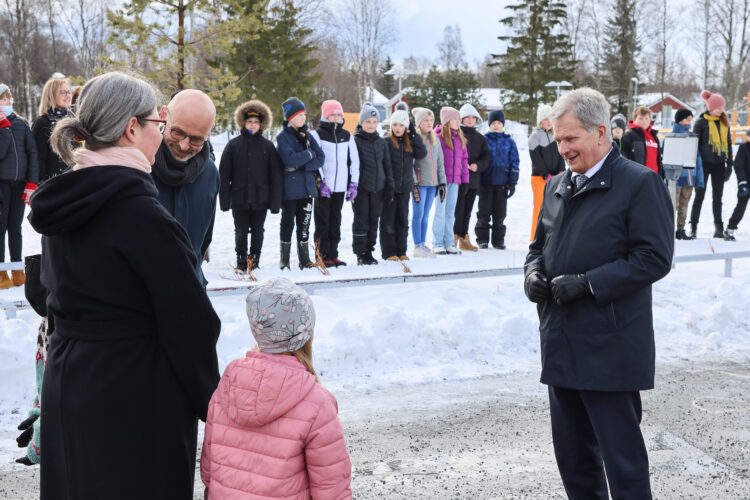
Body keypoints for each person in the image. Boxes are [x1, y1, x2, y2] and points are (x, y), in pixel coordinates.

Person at [28, 71, 221, 500]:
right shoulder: (142, 216)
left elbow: (47, 293)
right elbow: (190, 323)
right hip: (134, 399)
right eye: (158, 123)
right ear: (132, 128)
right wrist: (213, 402)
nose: (161, 132)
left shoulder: (66, 202)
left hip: (69, 384)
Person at [524, 88, 673, 500]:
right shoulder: (557, 185)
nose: (563, 149)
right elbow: (537, 247)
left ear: (602, 133)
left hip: (610, 348)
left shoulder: (639, 184)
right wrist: (533, 273)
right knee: (574, 463)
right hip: (562, 342)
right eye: (557, 140)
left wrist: (589, 282)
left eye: (571, 139)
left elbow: (654, 258)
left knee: (622, 464)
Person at [201, 277, 352, 499]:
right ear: (306, 333)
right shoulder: (317, 403)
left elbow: (209, 471)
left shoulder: (227, 388)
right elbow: (332, 489)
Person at [152, 89, 219, 287]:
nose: (183, 145)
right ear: (163, 115)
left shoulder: (210, 174)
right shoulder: (138, 165)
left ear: (210, 131)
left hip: (191, 290)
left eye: (196, 139)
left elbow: (204, 240)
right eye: (177, 132)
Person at [219, 99, 282, 271]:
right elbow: (223, 175)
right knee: (240, 232)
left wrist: (275, 203)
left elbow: (275, 176)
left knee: (258, 231)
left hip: (261, 198)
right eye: (249, 121)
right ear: (243, 123)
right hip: (239, 198)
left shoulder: (268, 147)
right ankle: (241, 261)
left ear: (261, 124)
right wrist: (224, 201)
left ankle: (254, 261)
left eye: (256, 122)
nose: (252, 125)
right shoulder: (233, 146)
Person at [310, 99, 360, 267]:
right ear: (326, 116)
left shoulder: (347, 135)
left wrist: (353, 183)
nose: (336, 117)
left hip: (340, 187)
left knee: (335, 221)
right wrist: (321, 182)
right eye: (333, 115)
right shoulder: (318, 134)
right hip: (325, 188)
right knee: (322, 221)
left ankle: (333, 254)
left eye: (339, 114)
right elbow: (316, 160)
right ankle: (322, 255)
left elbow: (354, 161)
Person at [276, 97, 325, 270]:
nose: (303, 118)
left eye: (304, 115)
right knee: (288, 224)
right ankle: (285, 260)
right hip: (290, 190)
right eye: (298, 115)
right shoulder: (283, 137)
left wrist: (303, 163)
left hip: (307, 188)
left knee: (304, 224)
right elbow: (289, 160)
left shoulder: (308, 136)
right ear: (290, 118)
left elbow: (321, 158)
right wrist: (308, 155)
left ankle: (304, 260)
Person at [0, 83, 39, 289]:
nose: (8, 102)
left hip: (20, 184)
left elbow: (32, 153)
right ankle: (1, 271)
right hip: (1, 186)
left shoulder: (22, 124)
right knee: (0, 228)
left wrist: (32, 181)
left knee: (15, 227)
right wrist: (4, 128)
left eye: (9, 99)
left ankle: (16, 268)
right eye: (3, 99)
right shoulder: (3, 126)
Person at [381, 104, 426, 261]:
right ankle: (389, 252)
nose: (398, 128)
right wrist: (387, 185)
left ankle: (401, 251)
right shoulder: (386, 142)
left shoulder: (410, 143)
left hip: (405, 188)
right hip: (389, 189)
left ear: (406, 126)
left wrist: (415, 136)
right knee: (388, 221)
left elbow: (422, 154)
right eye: (394, 125)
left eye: (401, 125)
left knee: (402, 221)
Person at [352, 102, 393, 265]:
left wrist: (390, 186)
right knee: (361, 220)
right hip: (362, 189)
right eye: (368, 121)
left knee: (374, 220)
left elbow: (387, 165)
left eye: (374, 122)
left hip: (379, 188)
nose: (371, 125)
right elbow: (352, 165)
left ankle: (369, 250)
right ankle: (361, 253)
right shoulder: (355, 141)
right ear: (362, 122)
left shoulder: (381, 142)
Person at [690, 90, 734, 238]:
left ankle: (718, 228)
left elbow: (728, 144)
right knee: (699, 196)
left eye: (722, 107)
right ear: (710, 107)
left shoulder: (724, 122)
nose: (721, 110)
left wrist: (729, 165)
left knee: (718, 198)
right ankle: (693, 227)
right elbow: (694, 145)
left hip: (719, 165)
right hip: (703, 165)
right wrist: (695, 165)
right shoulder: (701, 123)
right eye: (718, 107)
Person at [476, 110, 519, 249]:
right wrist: (478, 182)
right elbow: (479, 160)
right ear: (489, 124)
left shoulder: (509, 141)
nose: (496, 125)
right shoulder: (484, 140)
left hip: (502, 183)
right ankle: (482, 240)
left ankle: (498, 240)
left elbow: (514, 162)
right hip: (485, 183)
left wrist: (512, 182)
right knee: (483, 213)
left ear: (503, 124)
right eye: (493, 123)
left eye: (499, 123)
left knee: (499, 214)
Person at [433, 106, 469, 255]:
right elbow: (435, 160)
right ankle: (438, 243)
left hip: (455, 181)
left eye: (458, 119)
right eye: (455, 119)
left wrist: (465, 180)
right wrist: (436, 180)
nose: (457, 122)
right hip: (442, 181)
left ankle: (449, 242)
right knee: (440, 212)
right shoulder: (438, 138)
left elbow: (464, 160)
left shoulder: (461, 138)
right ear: (447, 121)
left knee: (450, 213)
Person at [454, 103, 490, 251]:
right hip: (458, 179)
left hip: (474, 180)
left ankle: (464, 237)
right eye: (466, 117)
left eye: (473, 117)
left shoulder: (480, 138)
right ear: (461, 118)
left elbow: (486, 156)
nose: (469, 120)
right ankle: (454, 236)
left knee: (468, 210)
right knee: (458, 209)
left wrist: (478, 166)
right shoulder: (456, 134)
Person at [411, 107, 445, 258]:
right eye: (426, 120)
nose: (429, 123)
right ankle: (417, 245)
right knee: (418, 214)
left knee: (425, 215)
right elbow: (411, 163)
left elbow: (439, 163)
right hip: (420, 184)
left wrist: (442, 183)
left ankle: (423, 244)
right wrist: (414, 183)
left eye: (431, 120)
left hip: (433, 185)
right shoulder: (415, 139)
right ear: (419, 123)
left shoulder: (435, 139)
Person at [529, 103, 565, 241]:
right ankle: (535, 238)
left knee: (555, 208)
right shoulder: (535, 136)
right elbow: (536, 158)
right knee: (540, 207)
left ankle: (551, 238)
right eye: (545, 119)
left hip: (556, 177)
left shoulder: (557, 136)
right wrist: (545, 174)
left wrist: (561, 172)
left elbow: (562, 155)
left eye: (550, 119)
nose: (549, 122)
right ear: (540, 121)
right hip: (540, 178)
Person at [32, 77, 73, 182]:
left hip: (76, 181)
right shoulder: (42, 123)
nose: (68, 95)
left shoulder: (75, 120)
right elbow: (38, 158)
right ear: (51, 95)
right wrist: (42, 183)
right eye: (63, 92)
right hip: (53, 184)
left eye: (69, 92)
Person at [673, 108, 704, 240]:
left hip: (690, 177)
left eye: (690, 119)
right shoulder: (673, 136)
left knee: (684, 206)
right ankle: (669, 229)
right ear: (679, 120)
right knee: (673, 205)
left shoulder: (692, 137)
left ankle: (680, 229)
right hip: (676, 177)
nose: (689, 122)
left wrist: (699, 178)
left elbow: (698, 159)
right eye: (686, 119)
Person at [620, 106, 664, 177]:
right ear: (634, 119)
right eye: (641, 118)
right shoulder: (629, 136)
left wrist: (661, 176)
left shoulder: (654, 137)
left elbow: (659, 160)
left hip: (654, 178)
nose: (644, 121)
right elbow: (623, 158)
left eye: (646, 118)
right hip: (636, 178)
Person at [725, 131, 750, 240]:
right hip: (746, 183)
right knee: (741, 207)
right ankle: (730, 230)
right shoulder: (744, 148)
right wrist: (742, 182)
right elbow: (738, 166)